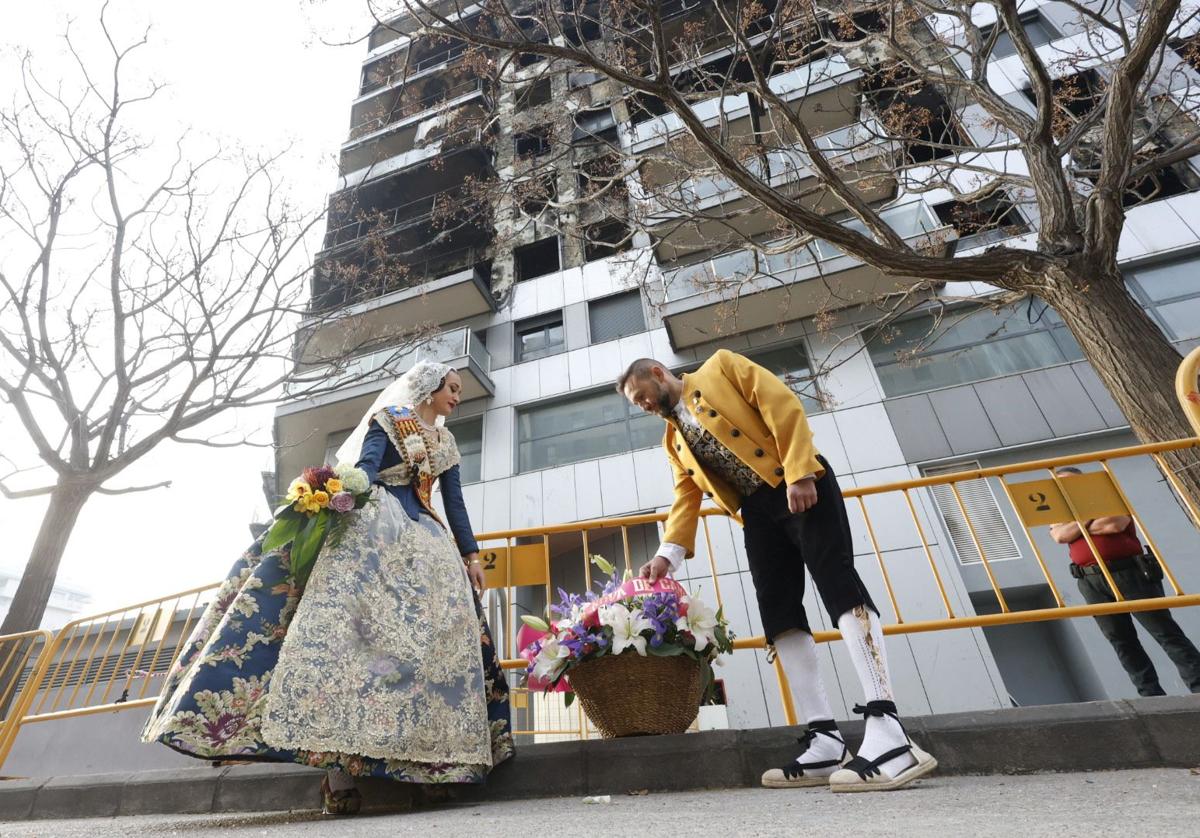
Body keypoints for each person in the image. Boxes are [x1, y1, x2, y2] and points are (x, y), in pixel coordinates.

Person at [143, 361, 513, 815]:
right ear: (430, 388)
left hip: (430, 543)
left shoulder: (447, 442)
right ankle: (338, 774)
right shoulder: (391, 417)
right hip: (375, 528)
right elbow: (367, 468)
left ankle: (430, 765)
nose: (457, 396)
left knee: (432, 650)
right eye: (452, 388)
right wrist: (347, 502)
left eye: (458, 390)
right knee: (351, 646)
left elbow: (453, 500)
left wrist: (471, 556)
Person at [617, 351, 936, 792]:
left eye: (641, 396)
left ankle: (889, 732)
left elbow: (781, 404)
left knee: (839, 585)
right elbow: (686, 495)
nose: (643, 405)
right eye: (637, 405)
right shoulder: (672, 442)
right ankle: (824, 738)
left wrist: (800, 472)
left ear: (656, 373)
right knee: (778, 613)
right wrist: (666, 556)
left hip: (798, 481)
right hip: (756, 511)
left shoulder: (722, 368)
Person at [1049, 466, 1200, 696]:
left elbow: (1113, 525)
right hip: (1090, 580)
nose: (1067, 488)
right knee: (1120, 640)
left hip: (1129, 572)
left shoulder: (1109, 496)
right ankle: (1150, 695)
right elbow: (1060, 536)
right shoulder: (1059, 511)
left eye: (1072, 482)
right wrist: (1088, 519)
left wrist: (1077, 525)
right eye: (1061, 485)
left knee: (1164, 631)